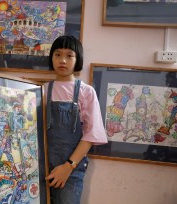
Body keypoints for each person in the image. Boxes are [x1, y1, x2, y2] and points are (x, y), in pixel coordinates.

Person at [44, 35, 108, 204]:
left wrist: (68, 166)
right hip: (41, 167)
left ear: (78, 59)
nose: (62, 60)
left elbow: (91, 135)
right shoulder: (42, 90)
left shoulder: (86, 92)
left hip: (70, 170)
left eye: (69, 55)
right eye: (57, 54)